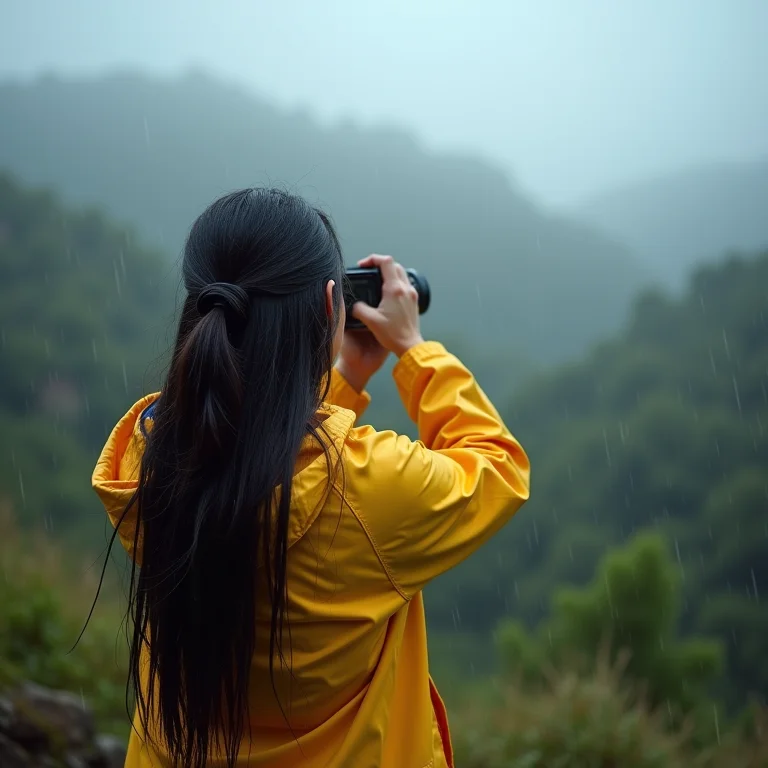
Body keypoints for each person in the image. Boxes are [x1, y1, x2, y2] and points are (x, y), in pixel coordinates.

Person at [92, 188, 530, 768]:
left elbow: (258, 460)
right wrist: (413, 348)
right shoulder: (370, 491)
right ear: (333, 303)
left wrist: (346, 373)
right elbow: (498, 466)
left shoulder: (149, 454)